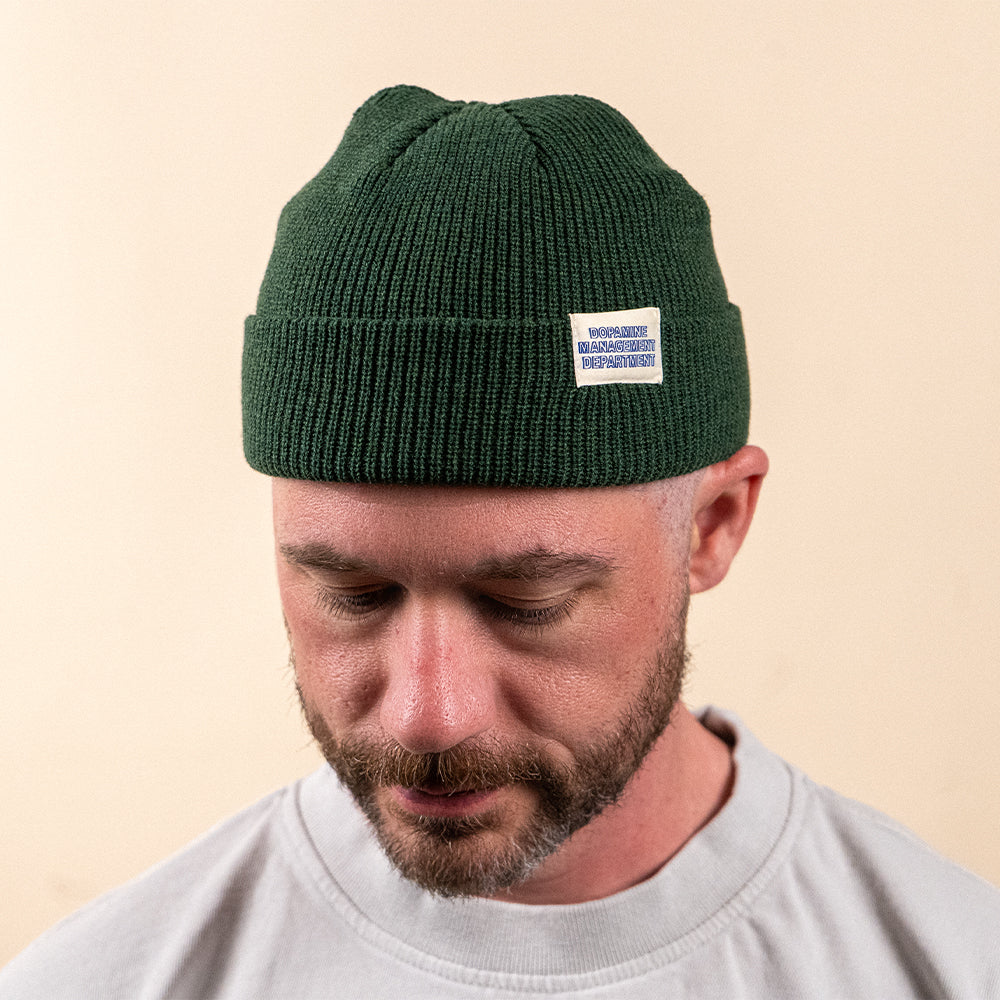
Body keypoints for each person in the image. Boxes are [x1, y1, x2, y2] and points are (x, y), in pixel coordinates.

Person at [3, 84, 998, 1000]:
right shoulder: (101, 983)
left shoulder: (952, 964)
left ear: (713, 525)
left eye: (527, 602)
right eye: (351, 594)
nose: (428, 717)